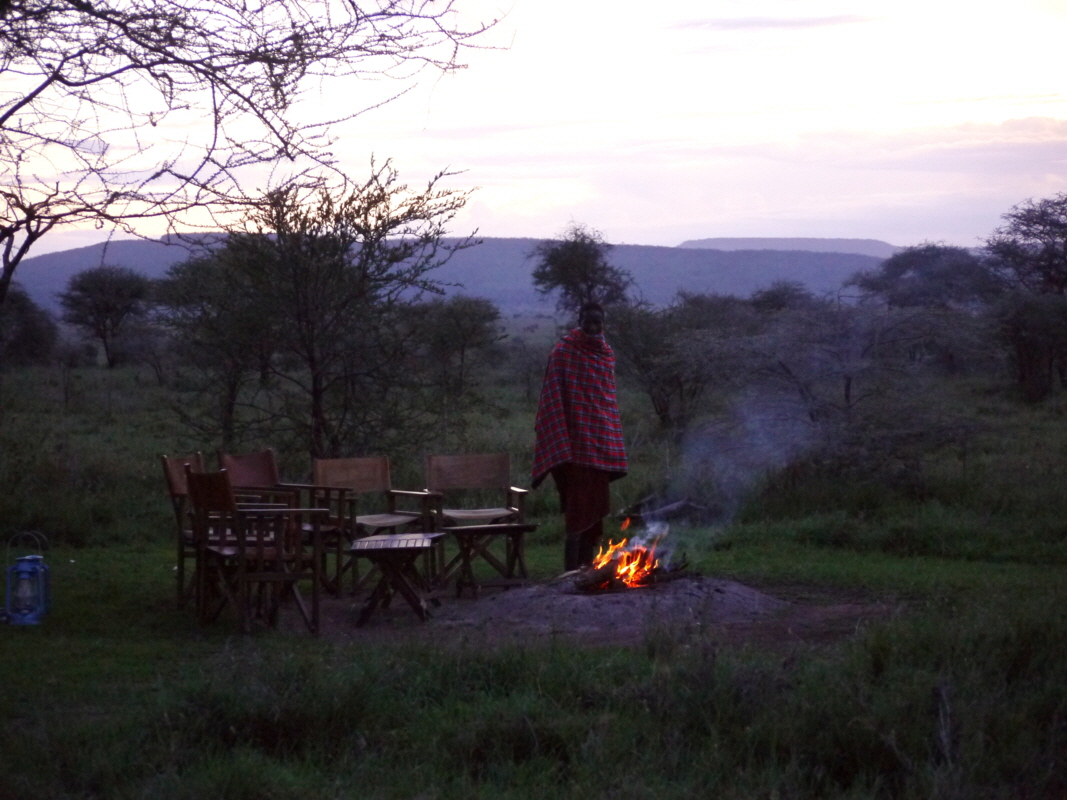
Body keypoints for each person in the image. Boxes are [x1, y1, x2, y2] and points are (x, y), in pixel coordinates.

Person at [531, 301, 628, 570]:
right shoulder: (564, 352)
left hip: (599, 442)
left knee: (595, 507)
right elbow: (552, 398)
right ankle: (571, 569)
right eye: (588, 322)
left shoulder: (606, 353)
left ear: (603, 324)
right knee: (577, 508)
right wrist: (561, 436)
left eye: (598, 323)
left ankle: (588, 566)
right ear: (580, 321)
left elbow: (605, 400)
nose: (593, 328)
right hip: (573, 445)